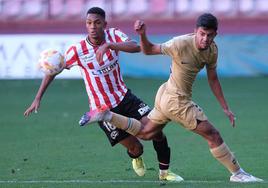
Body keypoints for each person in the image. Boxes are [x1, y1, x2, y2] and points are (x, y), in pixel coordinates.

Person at [80, 13, 264, 183]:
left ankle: (107, 116)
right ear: (195, 31)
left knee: (146, 133)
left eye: (209, 35)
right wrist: (143, 34)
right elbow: (149, 49)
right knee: (213, 135)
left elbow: (213, 78)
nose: (205, 39)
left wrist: (225, 107)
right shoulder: (181, 43)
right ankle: (238, 173)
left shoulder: (212, 50)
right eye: (201, 34)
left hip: (166, 96)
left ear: (215, 34)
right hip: (176, 101)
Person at [24, 7, 183, 182]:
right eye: (89, 23)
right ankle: (136, 157)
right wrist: (38, 97)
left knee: (157, 132)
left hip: (125, 98)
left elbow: (136, 47)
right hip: (102, 109)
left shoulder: (114, 35)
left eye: (97, 23)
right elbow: (54, 70)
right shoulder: (78, 50)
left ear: (104, 24)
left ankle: (164, 173)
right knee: (136, 148)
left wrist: (109, 45)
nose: (92, 27)